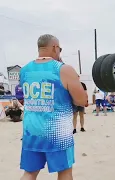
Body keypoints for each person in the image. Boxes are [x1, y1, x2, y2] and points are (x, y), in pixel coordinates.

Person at [19, 34, 87, 180]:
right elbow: (82, 101)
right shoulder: (64, 69)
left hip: (31, 130)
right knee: (64, 171)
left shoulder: (24, 70)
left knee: (29, 173)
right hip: (57, 132)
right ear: (55, 48)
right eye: (60, 49)